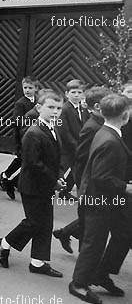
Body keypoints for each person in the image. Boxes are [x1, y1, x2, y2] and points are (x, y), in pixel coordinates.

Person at [0, 90, 66, 278]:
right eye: (50, 107)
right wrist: (54, 179)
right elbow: (33, 164)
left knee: (46, 223)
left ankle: (38, 261)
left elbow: (54, 158)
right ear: (39, 107)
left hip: (46, 184)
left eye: (58, 108)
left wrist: (57, 176)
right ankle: (4, 243)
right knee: (33, 222)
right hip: (33, 186)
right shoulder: (33, 132)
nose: (55, 112)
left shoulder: (52, 128)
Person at [70, 94, 129, 304]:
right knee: (93, 243)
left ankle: (101, 274)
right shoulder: (110, 140)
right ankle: (78, 284)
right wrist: (126, 187)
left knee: (123, 233)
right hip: (99, 200)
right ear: (125, 115)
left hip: (106, 199)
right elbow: (100, 176)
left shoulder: (106, 131)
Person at [52, 86, 112, 253]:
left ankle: (65, 234)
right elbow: (82, 158)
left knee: (89, 218)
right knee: (89, 219)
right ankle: (85, 258)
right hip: (89, 181)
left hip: (94, 180)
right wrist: (83, 183)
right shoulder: (93, 127)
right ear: (99, 106)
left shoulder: (100, 122)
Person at [0, 77, 38, 200]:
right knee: (21, 159)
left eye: (30, 88)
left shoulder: (37, 102)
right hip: (23, 136)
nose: (27, 90)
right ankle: (6, 176)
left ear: (36, 88)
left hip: (34, 136)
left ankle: (13, 179)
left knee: (24, 160)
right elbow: (17, 122)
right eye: (25, 88)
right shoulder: (21, 103)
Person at [59, 79, 89, 198]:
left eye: (79, 92)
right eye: (73, 92)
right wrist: (76, 145)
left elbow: (84, 125)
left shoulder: (83, 109)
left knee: (76, 169)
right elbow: (64, 131)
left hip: (78, 146)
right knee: (59, 170)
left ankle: (65, 191)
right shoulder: (65, 109)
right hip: (67, 147)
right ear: (67, 94)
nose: (76, 95)